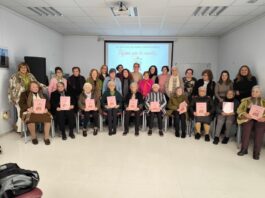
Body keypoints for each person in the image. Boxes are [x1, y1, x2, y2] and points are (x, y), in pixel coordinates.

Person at [8, 62, 44, 133]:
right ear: (19, 68)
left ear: (27, 68)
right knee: (21, 113)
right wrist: (11, 99)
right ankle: (21, 130)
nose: (24, 69)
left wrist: (45, 86)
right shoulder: (14, 76)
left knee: (28, 112)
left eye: (25, 67)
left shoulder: (30, 75)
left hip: (28, 96)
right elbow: (10, 88)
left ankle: (24, 128)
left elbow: (36, 83)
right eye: (22, 67)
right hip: (18, 97)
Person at [237, 85, 265, 160]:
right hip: (248, 118)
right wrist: (245, 114)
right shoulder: (246, 100)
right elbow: (239, 110)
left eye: (256, 92)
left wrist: (263, 118)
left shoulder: (263, 101)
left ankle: (256, 152)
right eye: (253, 91)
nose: (254, 93)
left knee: (260, 129)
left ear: (260, 93)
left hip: (260, 119)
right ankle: (244, 149)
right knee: (247, 127)